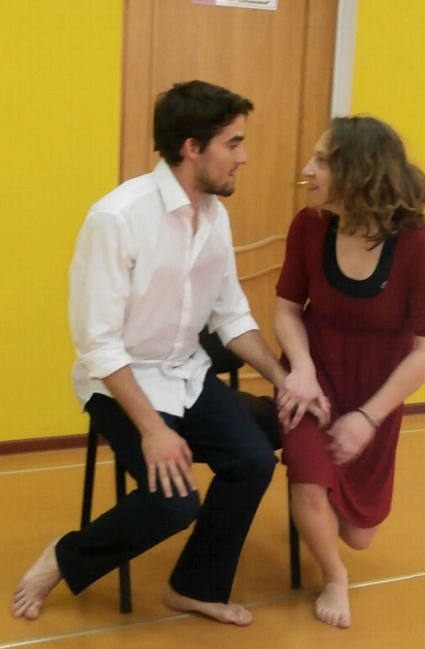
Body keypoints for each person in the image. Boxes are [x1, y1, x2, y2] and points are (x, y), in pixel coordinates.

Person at [12, 80, 286, 626]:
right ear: (192, 147)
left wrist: (284, 378)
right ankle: (63, 558)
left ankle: (195, 586)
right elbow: (98, 344)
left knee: (254, 461)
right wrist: (155, 430)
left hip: (186, 372)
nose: (243, 157)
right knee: (173, 503)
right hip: (120, 381)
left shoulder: (215, 216)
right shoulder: (117, 218)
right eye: (233, 143)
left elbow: (230, 315)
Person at [274, 115, 425, 629]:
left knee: (358, 534)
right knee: (309, 483)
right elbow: (286, 309)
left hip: (376, 389)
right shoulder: (308, 226)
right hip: (313, 374)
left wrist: (368, 418)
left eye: (322, 161)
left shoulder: (422, 247)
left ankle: (323, 517)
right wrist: (301, 370)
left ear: (360, 172)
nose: (307, 170)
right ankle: (335, 577)